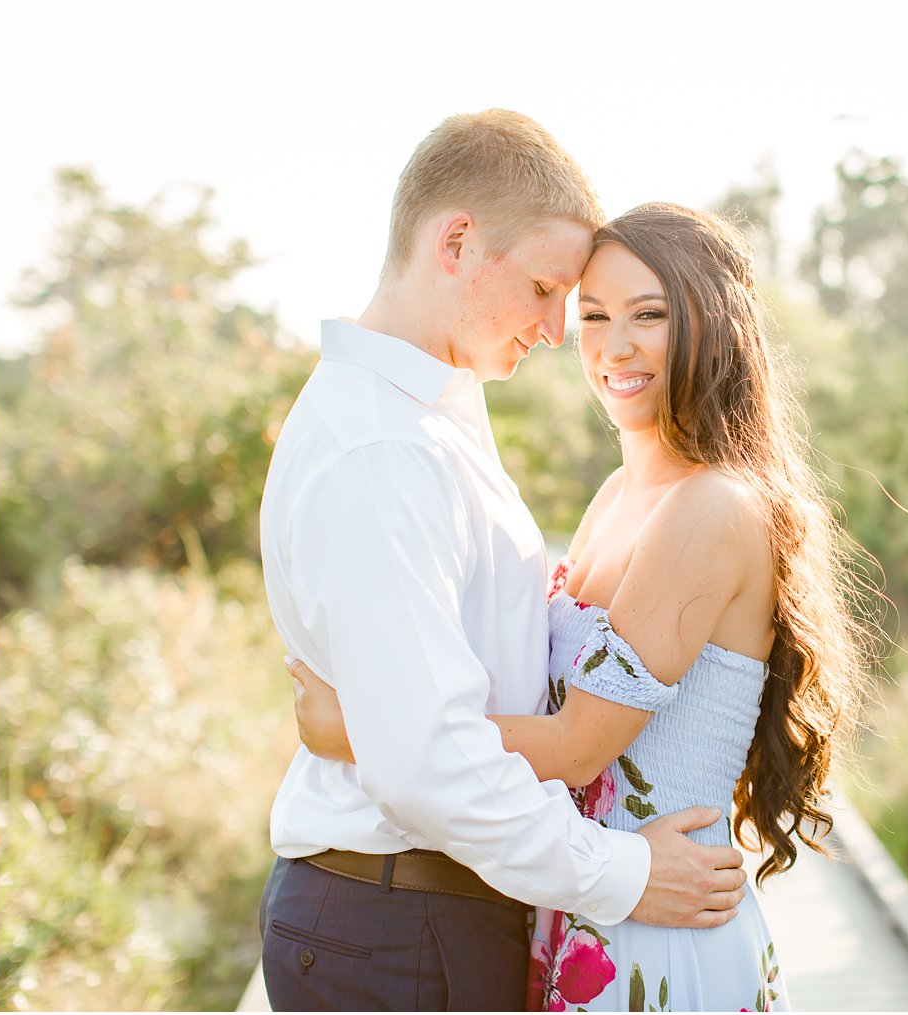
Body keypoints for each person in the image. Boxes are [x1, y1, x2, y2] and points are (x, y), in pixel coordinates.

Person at [288, 202, 877, 1011]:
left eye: (649, 314)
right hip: (589, 911)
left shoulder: (712, 507)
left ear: (715, 325)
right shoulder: (616, 494)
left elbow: (574, 744)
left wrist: (356, 726)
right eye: (592, 315)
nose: (613, 344)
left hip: (660, 924)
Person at [257, 112, 748, 1013]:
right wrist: (623, 875)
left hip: (428, 911)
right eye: (545, 287)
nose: (562, 330)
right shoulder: (383, 449)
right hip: (396, 920)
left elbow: (428, 725)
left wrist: (361, 725)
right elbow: (427, 761)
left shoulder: (435, 416)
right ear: (455, 242)